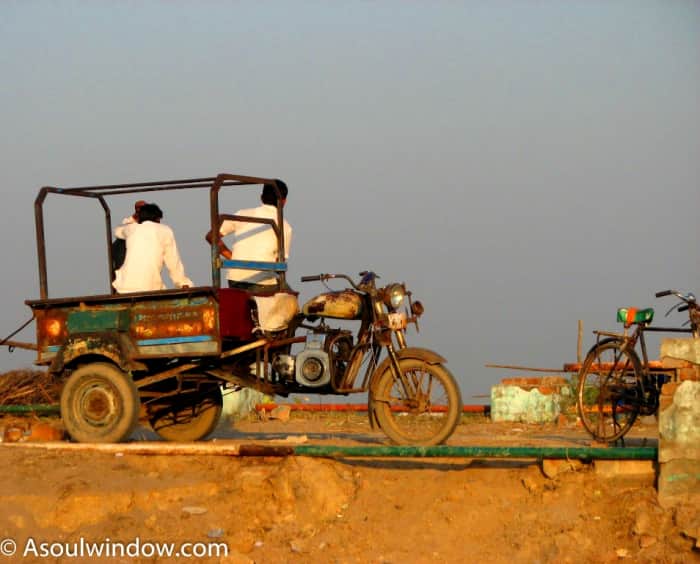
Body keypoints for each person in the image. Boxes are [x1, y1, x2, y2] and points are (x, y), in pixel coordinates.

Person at [205, 180, 292, 292]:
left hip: (234, 280)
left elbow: (211, 236)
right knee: (290, 295)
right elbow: (278, 263)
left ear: (261, 198)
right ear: (284, 201)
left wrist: (234, 258)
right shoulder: (285, 227)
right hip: (262, 283)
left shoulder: (242, 214)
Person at [113, 203, 193, 293]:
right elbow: (173, 262)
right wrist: (182, 283)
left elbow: (117, 231)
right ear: (158, 219)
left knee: (119, 242)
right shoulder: (165, 230)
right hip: (151, 288)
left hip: (124, 288)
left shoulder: (132, 228)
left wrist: (132, 218)